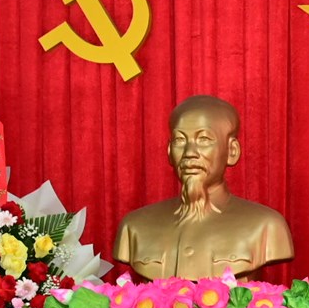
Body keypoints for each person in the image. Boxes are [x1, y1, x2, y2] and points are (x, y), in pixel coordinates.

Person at [114, 94, 294, 279]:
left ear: (232, 151)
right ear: (169, 151)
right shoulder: (134, 227)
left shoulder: (266, 226)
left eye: (204, 139)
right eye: (180, 140)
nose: (189, 153)